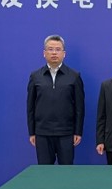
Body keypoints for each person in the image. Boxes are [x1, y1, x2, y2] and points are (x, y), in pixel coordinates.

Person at [26, 35, 85, 165]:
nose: (54, 53)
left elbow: (79, 108)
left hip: (66, 132)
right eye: (50, 49)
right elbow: (30, 107)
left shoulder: (74, 76)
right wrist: (32, 132)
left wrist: (78, 132)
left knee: (66, 171)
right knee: (44, 172)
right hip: (42, 133)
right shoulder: (35, 76)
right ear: (44, 53)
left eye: (58, 49)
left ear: (64, 54)